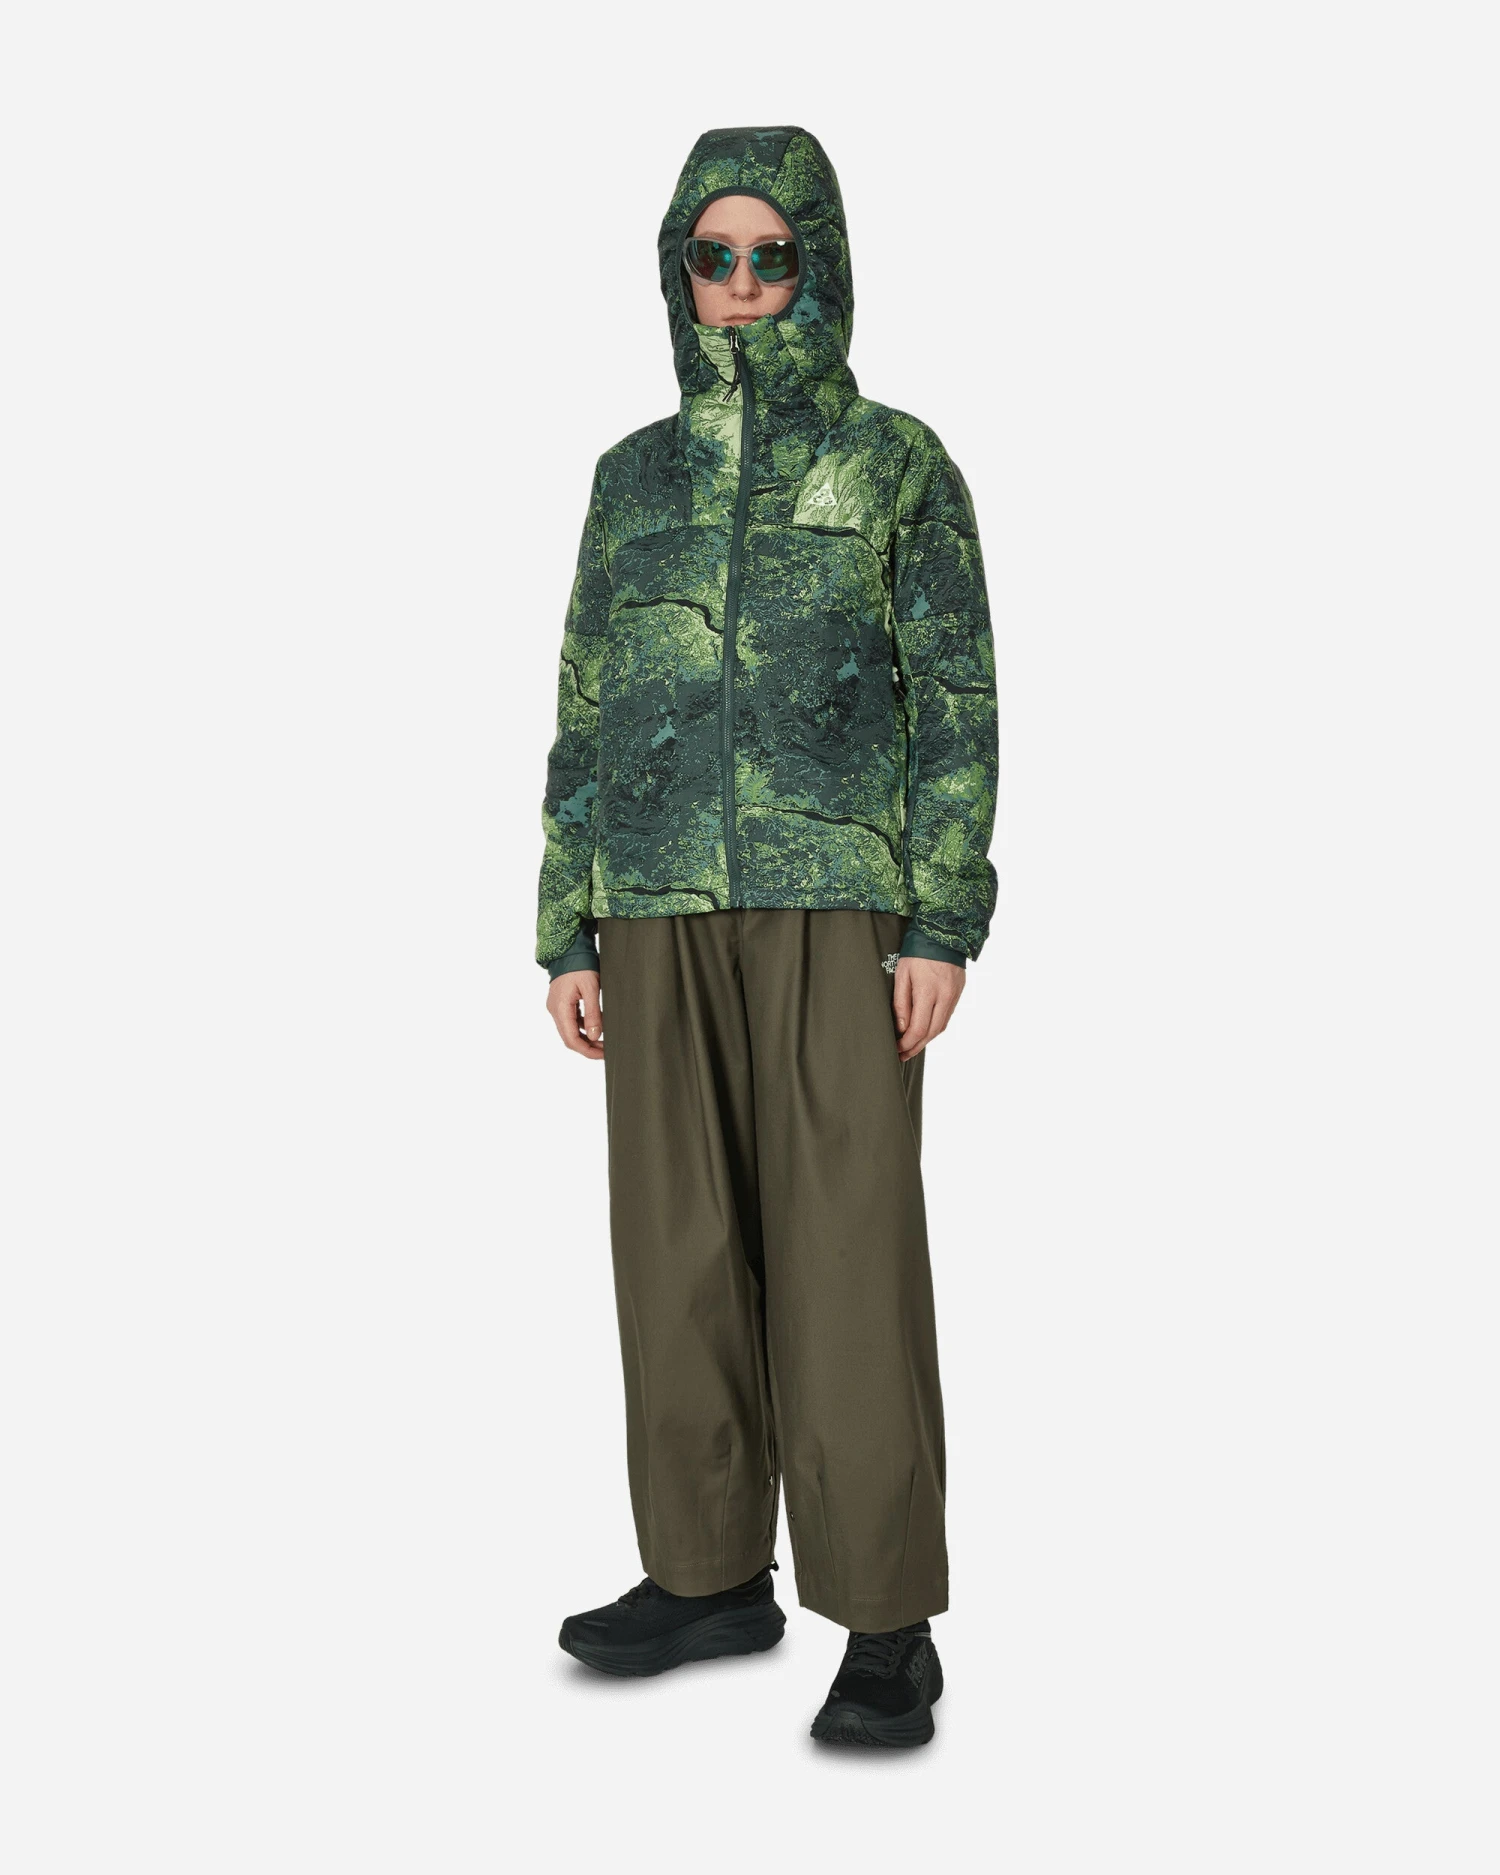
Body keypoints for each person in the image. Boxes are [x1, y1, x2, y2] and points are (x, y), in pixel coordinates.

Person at [535, 126, 997, 1748]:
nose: (738, 286)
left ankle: (886, 1619)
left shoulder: (897, 465)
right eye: (711, 258)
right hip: (656, 906)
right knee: (674, 1254)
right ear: (679, 272)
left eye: (769, 257)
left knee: (845, 1257)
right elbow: (587, 701)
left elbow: (957, 702)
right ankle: (709, 1571)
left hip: (836, 907)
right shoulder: (631, 480)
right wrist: (566, 924)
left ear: (820, 265)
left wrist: (941, 917)